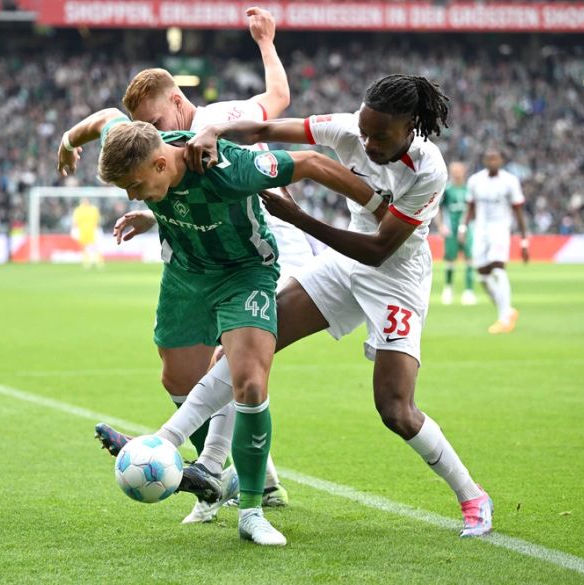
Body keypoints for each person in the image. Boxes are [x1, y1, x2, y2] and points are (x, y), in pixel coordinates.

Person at [97, 74, 495, 539]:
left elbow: (378, 249)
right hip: (341, 266)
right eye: (363, 131)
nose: (366, 143)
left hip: (396, 277)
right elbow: (264, 129)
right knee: (240, 351)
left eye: (379, 136)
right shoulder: (347, 129)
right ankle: (187, 455)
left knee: (395, 408)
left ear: (410, 126)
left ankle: (472, 497)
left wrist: (301, 219)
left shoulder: (429, 168)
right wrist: (213, 130)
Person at [57, 107, 381, 546]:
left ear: (159, 163)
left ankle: (250, 506)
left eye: (135, 186)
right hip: (186, 275)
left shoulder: (225, 165)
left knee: (248, 382)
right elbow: (106, 118)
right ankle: (210, 471)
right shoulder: (134, 141)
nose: (133, 196)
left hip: (243, 273)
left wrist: (379, 206)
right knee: (177, 378)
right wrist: (68, 142)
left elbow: (311, 162)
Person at [111, 7, 309, 520]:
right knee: (180, 376)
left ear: (177, 101)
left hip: (270, 244)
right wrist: (149, 215)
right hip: (205, 256)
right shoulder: (163, 151)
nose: (149, 133)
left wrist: (266, 42)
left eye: (154, 123)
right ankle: (256, 476)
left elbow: (279, 100)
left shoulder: (217, 119)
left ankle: (213, 469)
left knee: (232, 357)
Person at [460, 149, 529, 334]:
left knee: (498, 270)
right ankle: (507, 311)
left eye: (495, 158)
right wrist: (463, 228)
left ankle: (504, 318)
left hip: (500, 230)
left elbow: (518, 211)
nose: (492, 161)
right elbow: (470, 206)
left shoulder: (510, 181)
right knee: (482, 277)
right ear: (484, 161)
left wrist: (524, 241)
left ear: (501, 160)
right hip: (480, 230)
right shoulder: (475, 181)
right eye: (489, 158)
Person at [435, 162, 475, 305]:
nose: (457, 173)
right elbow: (437, 208)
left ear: (464, 171)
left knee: (469, 258)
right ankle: (448, 289)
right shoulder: (447, 189)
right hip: (451, 229)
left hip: (468, 229)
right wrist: (440, 226)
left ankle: (469, 291)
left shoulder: (469, 189)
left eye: (459, 170)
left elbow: (473, 209)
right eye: (454, 170)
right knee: (450, 259)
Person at [70, 198, 104, 269]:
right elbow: (75, 221)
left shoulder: (93, 209)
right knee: (84, 247)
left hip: (92, 230)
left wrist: (97, 229)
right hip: (82, 231)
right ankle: (86, 262)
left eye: (86, 201)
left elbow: (97, 220)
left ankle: (98, 262)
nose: (85, 202)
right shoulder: (78, 210)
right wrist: (74, 229)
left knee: (95, 247)